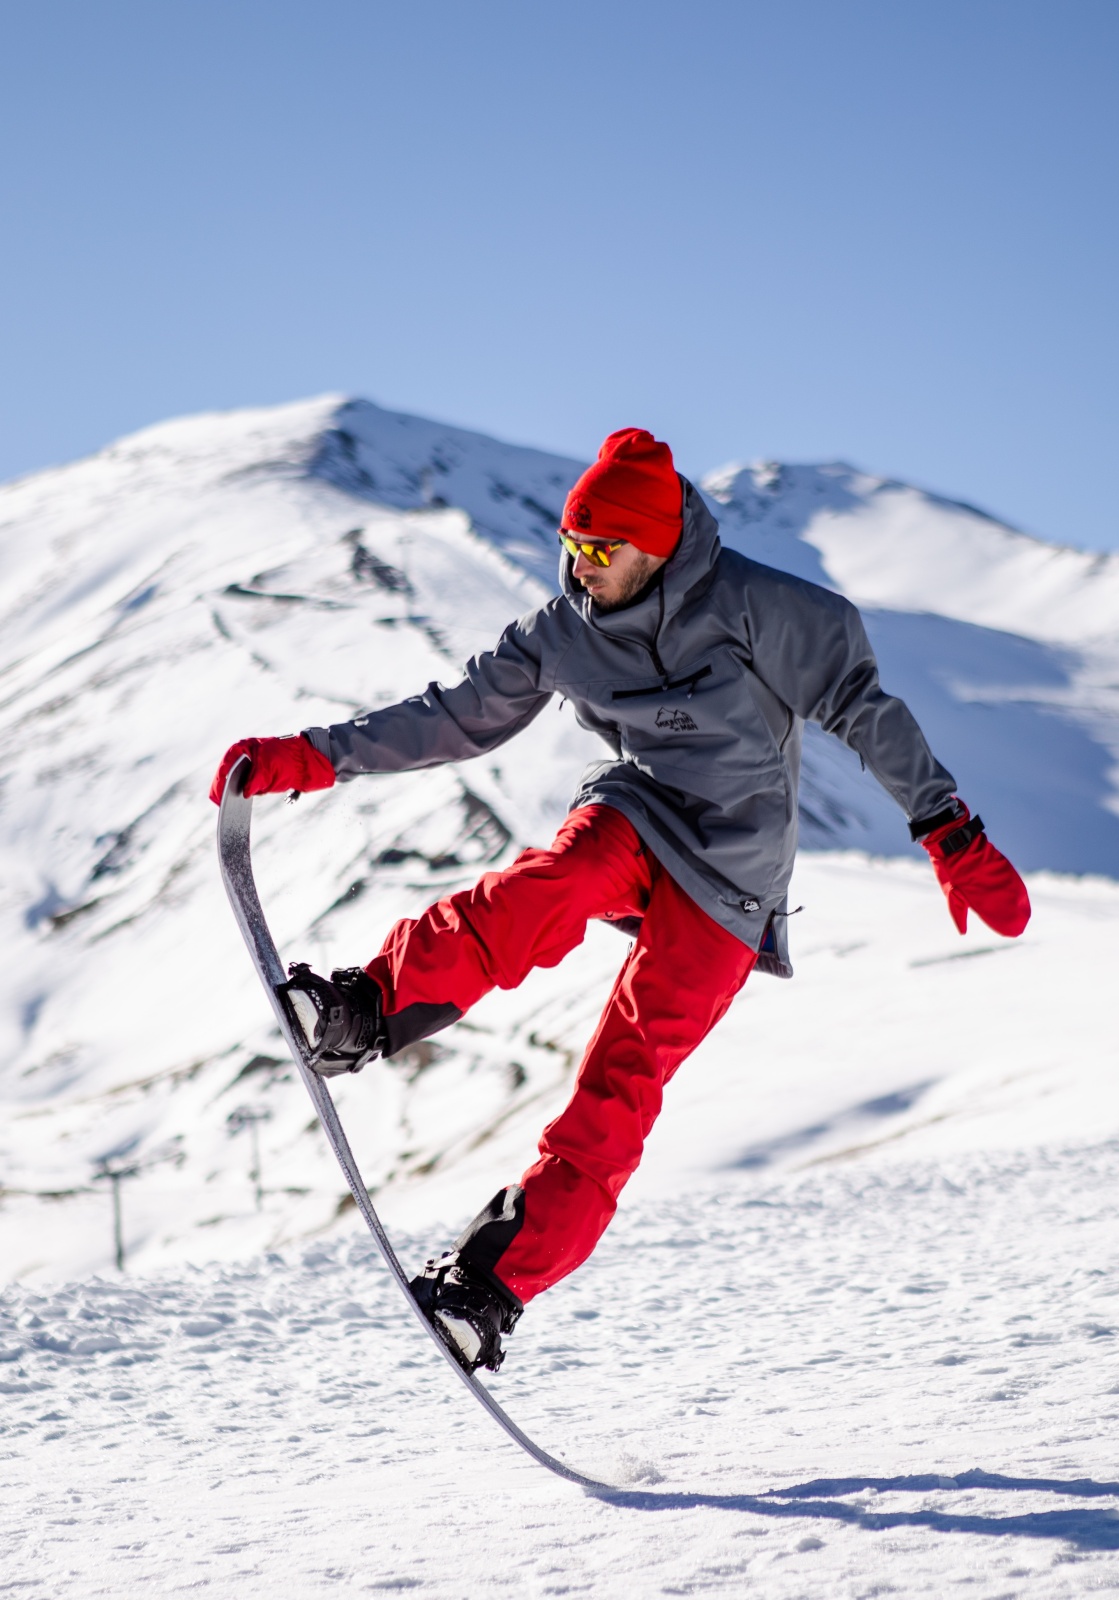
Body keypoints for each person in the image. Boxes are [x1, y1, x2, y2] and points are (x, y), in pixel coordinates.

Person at [210, 428, 1030, 1372]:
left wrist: (949, 831)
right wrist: (311, 756)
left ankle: (487, 1290)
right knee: (549, 883)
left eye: (603, 548)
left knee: (620, 1087)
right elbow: (456, 717)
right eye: (572, 542)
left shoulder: (760, 607)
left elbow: (863, 705)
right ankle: (364, 1010)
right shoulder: (564, 628)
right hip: (639, 811)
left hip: (736, 880)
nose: (581, 565)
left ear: (659, 545)